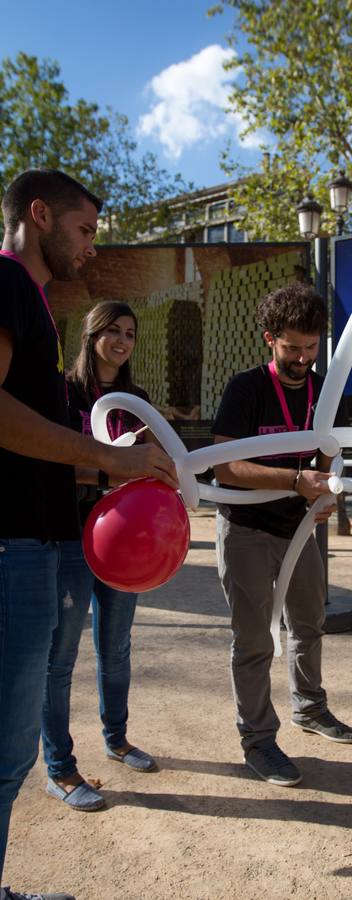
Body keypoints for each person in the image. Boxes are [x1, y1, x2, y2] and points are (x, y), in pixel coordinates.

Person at [0, 169, 177, 900]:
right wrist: (110, 458)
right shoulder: (6, 283)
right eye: (84, 230)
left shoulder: (31, 301)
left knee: (7, 754)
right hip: (15, 547)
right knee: (8, 752)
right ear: (37, 214)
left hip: (32, 544)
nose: (92, 248)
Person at [212, 282, 352, 787]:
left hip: (299, 529)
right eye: (292, 347)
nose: (303, 358)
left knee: (309, 623)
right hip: (247, 529)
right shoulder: (245, 389)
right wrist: (294, 482)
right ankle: (258, 740)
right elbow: (225, 468)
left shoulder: (325, 391)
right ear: (269, 339)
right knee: (254, 639)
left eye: (312, 347)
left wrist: (323, 493)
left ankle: (310, 709)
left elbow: (329, 454)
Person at [42, 301, 159, 813]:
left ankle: (117, 739)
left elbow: (158, 463)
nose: (121, 341)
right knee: (60, 657)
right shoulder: (62, 393)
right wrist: (112, 472)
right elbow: (55, 465)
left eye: (130, 333)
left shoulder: (136, 400)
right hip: (71, 537)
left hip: (126, 543)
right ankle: (60, 769)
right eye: (112, 331)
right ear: (90, 335)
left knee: (117, 647)